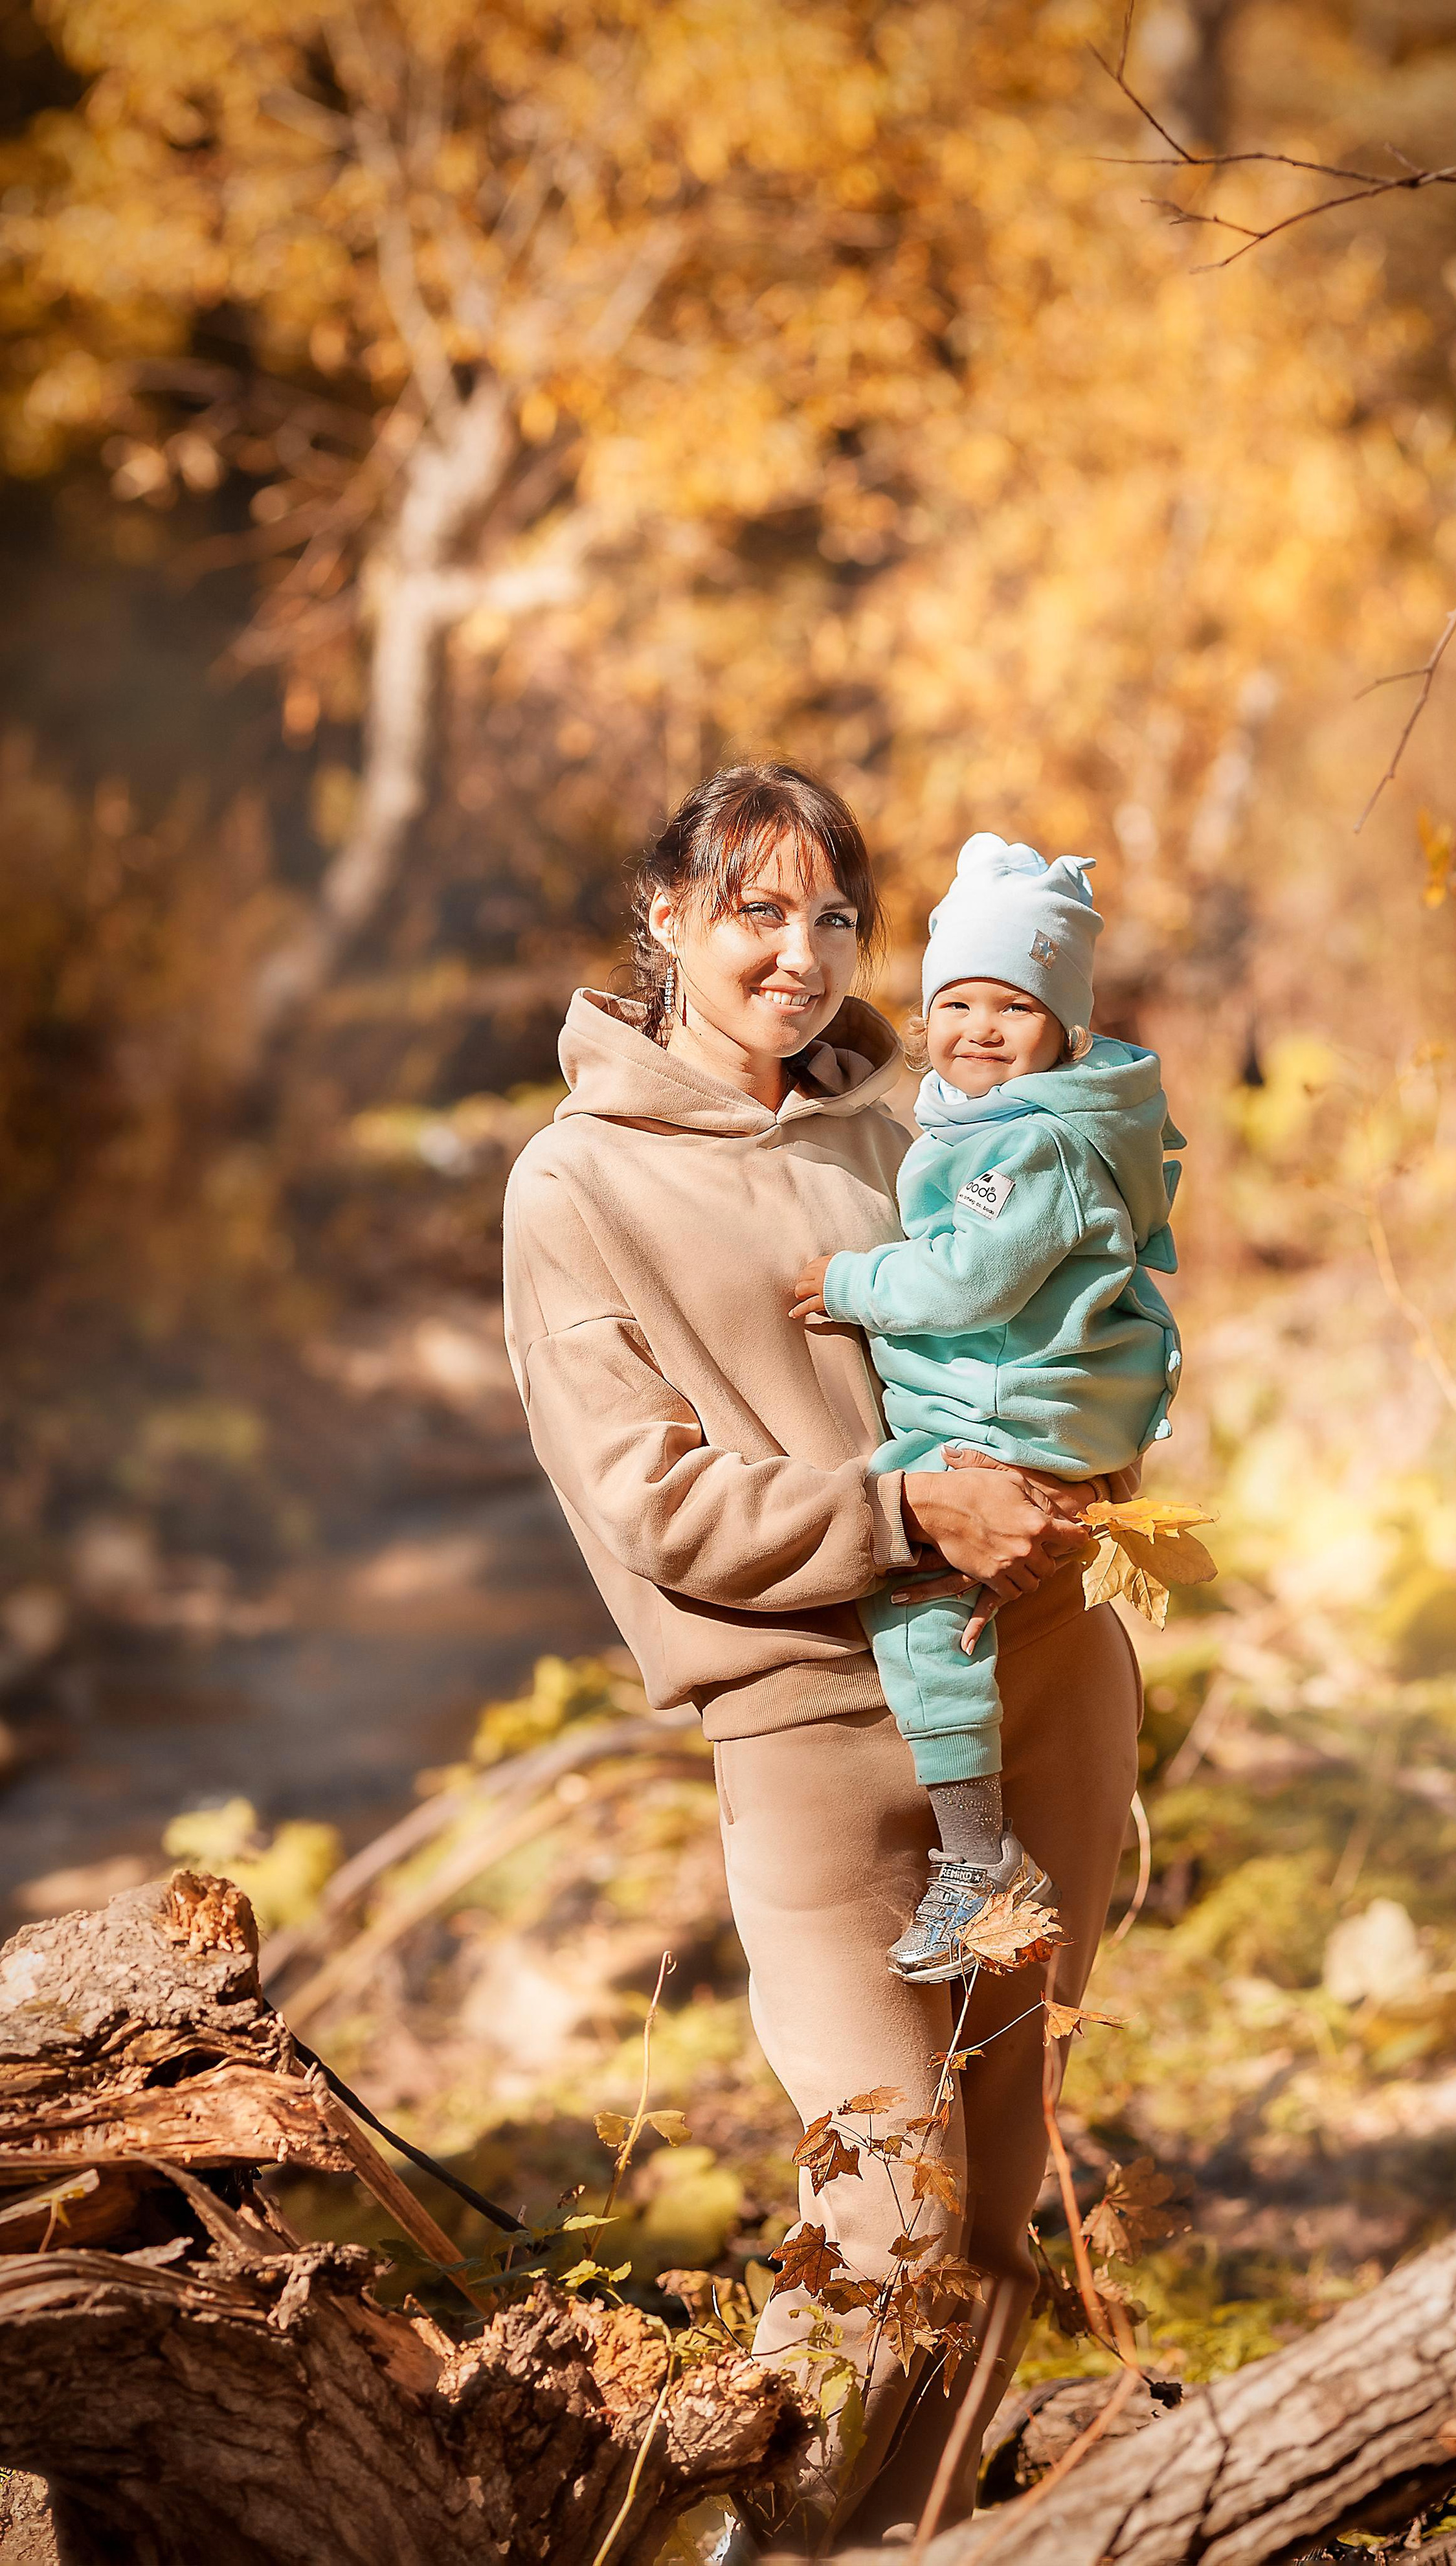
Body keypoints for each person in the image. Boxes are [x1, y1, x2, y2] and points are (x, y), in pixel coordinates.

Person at [502, 763, 1144, 2552]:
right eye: (755, 912)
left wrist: (1095, 1442)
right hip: (811, 1734)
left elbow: (1077, 1293)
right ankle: (728, 2541)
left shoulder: (922, 1110)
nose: (802, 954)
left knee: (1003, 2213)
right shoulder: (576, 1181)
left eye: (835, 916)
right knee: (888, 2208)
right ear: (667, 924)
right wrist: (910, 1507)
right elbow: (649, 1497)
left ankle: (914, 2545)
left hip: (1042, 1691)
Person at [789, 832, 1183, 1985]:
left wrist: (849, 1285)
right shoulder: (1004, 1121)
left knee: (923, 1603)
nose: (977, 1029)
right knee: (958, 1597)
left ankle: (977, 1859)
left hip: (1007, 1407)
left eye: (1013, 1006)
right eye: (955, 1001)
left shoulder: (1031, 1146)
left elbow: (966, 1279)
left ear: (1066, 1027)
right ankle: (980, 1853)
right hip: (1024, 1386)